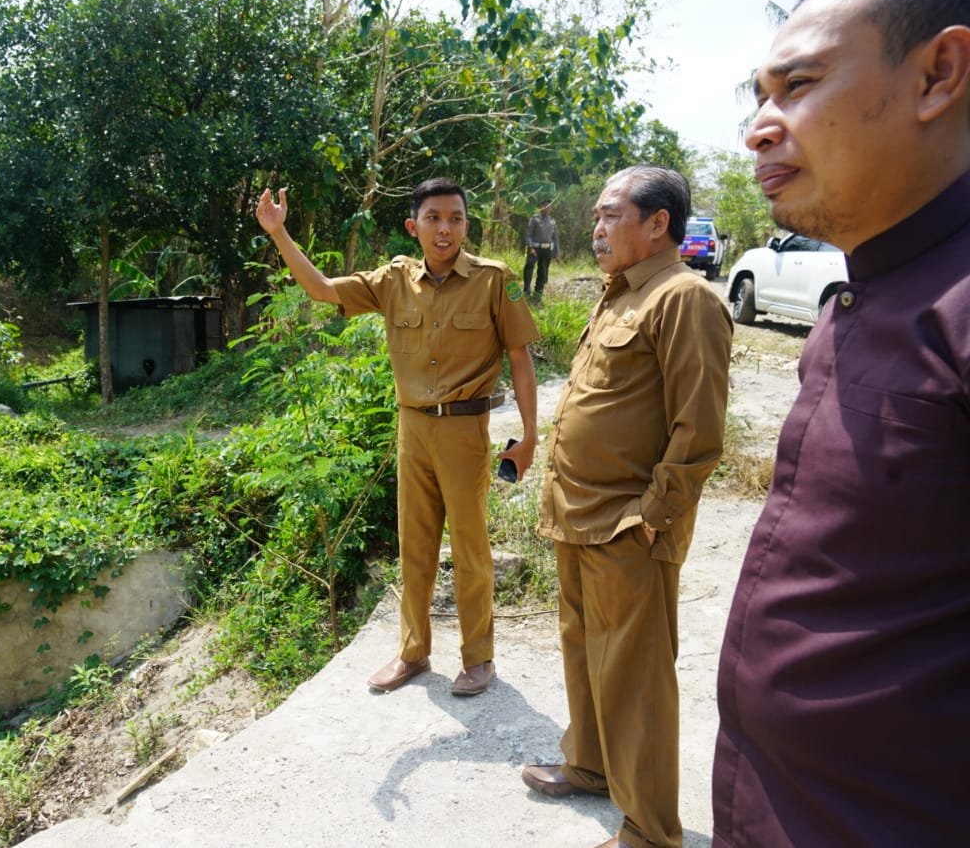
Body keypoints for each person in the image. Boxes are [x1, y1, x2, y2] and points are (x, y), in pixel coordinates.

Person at [712, 0, 970, 845]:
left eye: (800, 85)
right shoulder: (851, 299)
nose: (760, 126)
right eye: (759, 96)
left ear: (939, 74)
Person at [255, 178, 540, 696]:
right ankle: (413, 651)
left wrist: (530, 435)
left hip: (465, 430)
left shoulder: (496, 281)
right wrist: (280, 234)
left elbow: (520, 358)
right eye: (433, 218)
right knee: (415, 544)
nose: (445, 228)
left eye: (455, 218)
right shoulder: (393, 281)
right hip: (413, 428)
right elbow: (322, 290)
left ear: (466, 226)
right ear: (414, 227)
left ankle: (478, 657)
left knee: (471, 546)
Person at [520, 165, 732, 848]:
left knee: (636, 676)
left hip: (626, 526)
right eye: (599, 217)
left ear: (657, 223)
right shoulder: (618, 296)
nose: (598, 227)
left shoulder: (683, 298)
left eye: (612, 215)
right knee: (583, 651)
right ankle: (589, 763)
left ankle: (648, 829)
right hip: (575, 515)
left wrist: (651, 519)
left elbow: (697, 432)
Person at [523, 199, 561, 296]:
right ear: (540, 207)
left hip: (546, 249)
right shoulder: (535, 219)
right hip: (535, 248)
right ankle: (526, 289)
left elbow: (555, 238)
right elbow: (528, 234)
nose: (547, 209)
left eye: (549, 207)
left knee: (543, 270)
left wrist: (557, 254)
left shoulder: (552, 221)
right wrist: (530, 247)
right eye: (545, 206)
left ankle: (538, 291)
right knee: (529, 267)